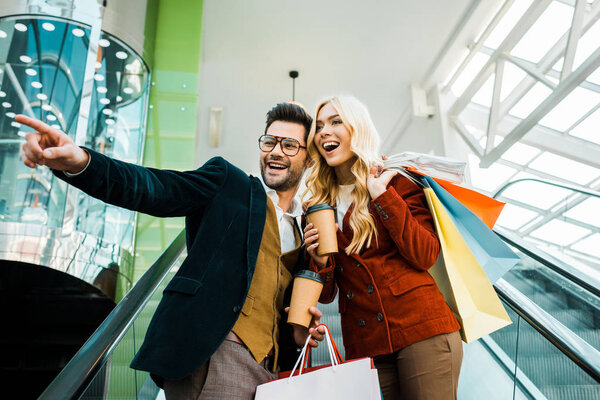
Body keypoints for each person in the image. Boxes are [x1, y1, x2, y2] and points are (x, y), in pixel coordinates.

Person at [17, 102, 324, 400]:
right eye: (270, 141)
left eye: (289, 145)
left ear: (308, 159)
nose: (275, 151)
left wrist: (299, 336)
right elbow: (156, 188)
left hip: (272, 375)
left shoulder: (304, 231)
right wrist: (82, 163)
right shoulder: (230, 184)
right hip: (218, 356)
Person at [302, 95, 463, 400]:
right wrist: (319, 260)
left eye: (336, 121)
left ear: (358, 128)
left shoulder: (396, 180)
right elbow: (326, 294)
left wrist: (381, 195)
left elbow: (425, 253)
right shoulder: (317, 204)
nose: (324, 131)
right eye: (319, 126)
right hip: (366, 344)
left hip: (422, 329)